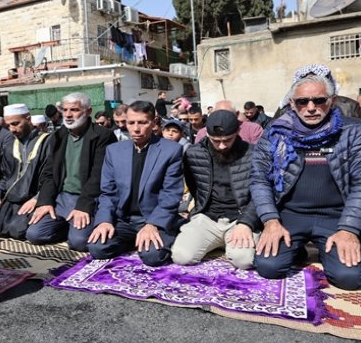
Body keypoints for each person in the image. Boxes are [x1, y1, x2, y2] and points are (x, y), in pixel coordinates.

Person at [250, 64, 361, 290]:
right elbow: (259, 177)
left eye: (319, 100)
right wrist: (270, 220)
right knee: (269, 267)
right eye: (303, 102)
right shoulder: (276, 131)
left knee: (349, 278)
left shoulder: (354, 130)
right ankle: (298, 247)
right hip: (290, 214)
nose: (311, 108)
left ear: (331, 101)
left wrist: (349, 229)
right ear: (292, 104)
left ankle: (329, 249)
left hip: (336, 216)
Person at [88, 100, 182, 266]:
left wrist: (153, 224)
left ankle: (159, 236)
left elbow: (171, 194)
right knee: (97, 248)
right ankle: (134, 240)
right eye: (131, 123)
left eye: (142, 122)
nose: (136, 129)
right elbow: (108, 192)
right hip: (124, 219)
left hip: (154, 218)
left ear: (153, 123)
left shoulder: (170, 150)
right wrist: (104, 220)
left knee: (152, 256)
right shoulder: (114, 151)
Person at [172, 110, 260, 269]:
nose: (221, 145)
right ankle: (219, 241)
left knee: (243, 260)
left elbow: (260, 194)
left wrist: (247, 223)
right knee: (181, 256)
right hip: (207, 217)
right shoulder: (194, 153)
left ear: (238, 132)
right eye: (216, 140)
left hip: (240, 218)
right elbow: (194, 186)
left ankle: (229, 241)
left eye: (227, 140)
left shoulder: (253, 154)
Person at [29, 92, 116, 251]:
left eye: (74, 110)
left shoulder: (103, 136)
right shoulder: (58, 136)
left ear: (88, 111)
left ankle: (76, 227)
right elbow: (49, 173)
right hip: (62, 198)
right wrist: (45, 201)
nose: (68, 115)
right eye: (65, 110)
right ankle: (67, 226)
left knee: (79, 242)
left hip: (88, 197)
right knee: (35, 235)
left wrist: (84, 206)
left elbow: (99, 176)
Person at [0, 104, 53, 239]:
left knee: (18, 230)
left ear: (28, 119)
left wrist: (38, 198)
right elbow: (5, 176)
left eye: (15, 124)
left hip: (35, 198)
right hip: (13, 198)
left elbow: (52, 177)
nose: (12, 129)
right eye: (8, 126)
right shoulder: (10, 146)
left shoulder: (47, 142)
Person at [194, 100, 264, 145]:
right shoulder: (203, 133)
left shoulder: (253, 129)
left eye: (228, 115)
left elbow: (259, 154)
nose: (223, 119)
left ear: (236, 114)